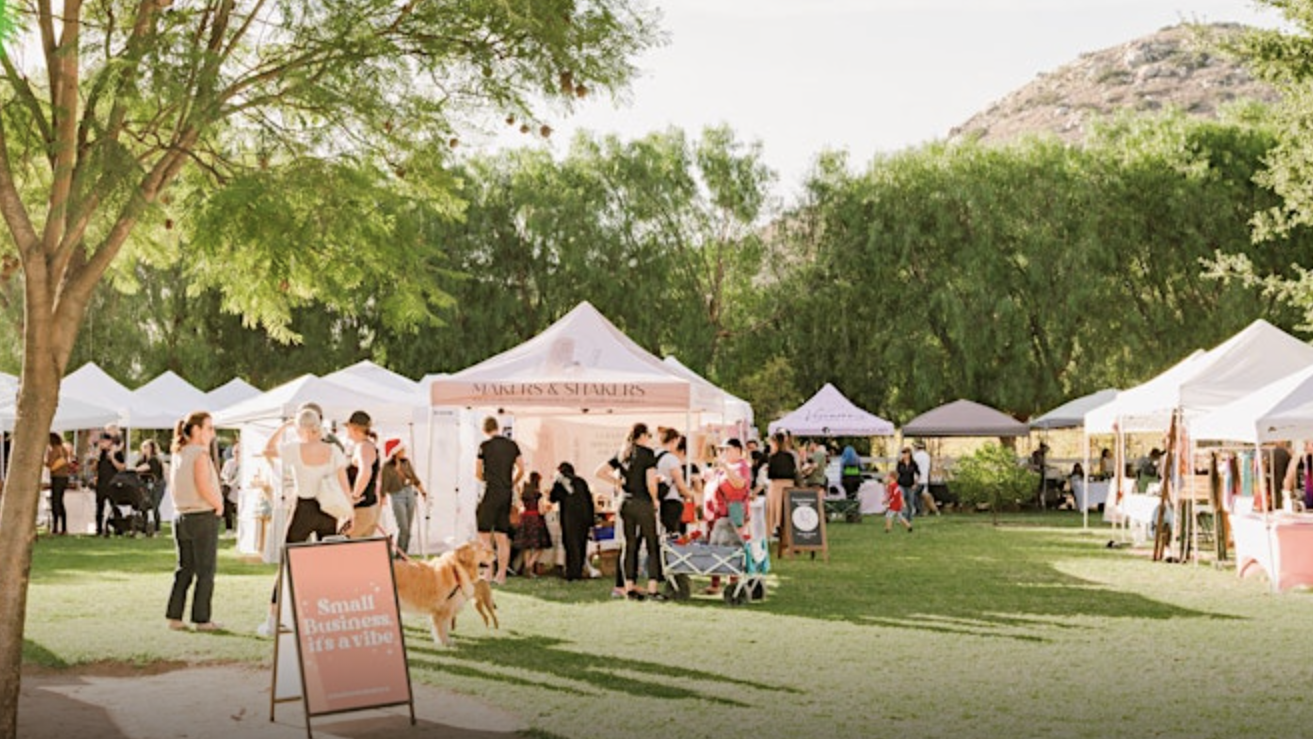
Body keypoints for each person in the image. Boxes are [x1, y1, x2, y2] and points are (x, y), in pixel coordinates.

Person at [259, 407, 354, 635]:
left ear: (300, 428)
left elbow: (267, 450)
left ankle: (273, 619)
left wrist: (284, 426)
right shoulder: (332, 450)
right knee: (327, 567)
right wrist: (350, 512)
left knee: (287, 564)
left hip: (304, 508)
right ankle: (324, 618)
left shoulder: (295, 449)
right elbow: (344, 484)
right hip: (328, 510)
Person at [165, 411, 224, 632]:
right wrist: (218, 505)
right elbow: (203, 485)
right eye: (209, 428)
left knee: (184, 569)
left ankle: (175, 617)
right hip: (201, 515)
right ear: (197, 430)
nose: (212, 433)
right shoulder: (200, 454)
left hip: (181, 516)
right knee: (205, 570)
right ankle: (202, 619)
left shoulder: (179, 453)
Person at [605, 422, 664, 601]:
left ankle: (629, 588)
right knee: (652, 544)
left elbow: (599, 472)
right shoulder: (647, 453)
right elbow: (650, 482)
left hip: (625, 502)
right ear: (643, 435)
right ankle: (653, 589)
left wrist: (618, 483)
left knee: (629, 545)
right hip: (643, 502)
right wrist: (655, 499)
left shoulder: (622, 453)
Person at [476, 416, 524, 585]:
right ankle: (501, 574)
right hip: (506, 493)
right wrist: (512, 482)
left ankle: (489, 572)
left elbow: (478, 472)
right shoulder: (512, 445)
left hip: (491, 492)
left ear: (485, 429)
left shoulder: (484, 446)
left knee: (484, 535)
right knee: (502, 536)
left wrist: (485, 479)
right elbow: (521, 468)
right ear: (498, 427)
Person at [703, 438, 751, 596]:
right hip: (717, 514)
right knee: (715, 546)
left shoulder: (741, 466)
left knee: (732, 547)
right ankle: (715, 583)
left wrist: (726, 468)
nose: (724, 452)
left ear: (738, 450)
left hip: (731, 514)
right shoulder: (722, 468)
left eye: (727, 449)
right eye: (723, 449)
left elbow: (739, 484)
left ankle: (733, 583)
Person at [550, 462, 595, 581]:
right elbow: (589, 500)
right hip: (583, 517)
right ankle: (579, 570)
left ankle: (572, 572)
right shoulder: (581, 481)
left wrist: (555, 483)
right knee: (581, 543)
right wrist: (591, 520)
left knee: (570, 544)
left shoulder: (559, 482)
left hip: (569, 518)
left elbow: (552, 498)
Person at [380, 439, 426, 555]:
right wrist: (382, 498)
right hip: (396, 496)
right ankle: (399, 555)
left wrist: (423, 493)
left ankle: (403, 555)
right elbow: (384, 485)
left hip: (409, 493)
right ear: (395, 451)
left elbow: (415, 478)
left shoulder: (406, 462)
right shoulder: (387, 467)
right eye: (402, 449)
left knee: (408, 530)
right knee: (403, 528)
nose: (404, 450)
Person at [343, 411, 380, 539]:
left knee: (346, 549)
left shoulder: (363, 447)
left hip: (361, 509)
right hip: (368, 507)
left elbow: (366, 472)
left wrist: (354, 497)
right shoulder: (368, 446)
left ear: (354, 428)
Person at [655, 428, 695, 537]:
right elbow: (680, 485)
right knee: (673, 536)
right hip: (671, 501)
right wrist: (691, 495)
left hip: (656, 499)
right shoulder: (671, 459)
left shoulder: (653, 455)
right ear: (674, 441)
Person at [513, 471, 553, 577]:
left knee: (527, 546)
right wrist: (547, 509)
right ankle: (529, 566)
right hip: (536, 520)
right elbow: (541, 511)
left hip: (525, 519)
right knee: (539, 546)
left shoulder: (524, 494)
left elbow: (520, 507)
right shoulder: (538, 495)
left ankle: (528, 568)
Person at [93, 431, 126, 536]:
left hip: (113, 483)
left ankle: (119, 528)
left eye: (104, 441)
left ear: (110, 442)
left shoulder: (117, 453)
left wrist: (112, 458)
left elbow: (122, 467)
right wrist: (96, 457)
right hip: (101, 483)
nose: (102, 443)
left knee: (114, 506)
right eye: (101, 441)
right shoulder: (101, 454)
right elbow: (94, 468)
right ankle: (98, 529)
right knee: (99, 507)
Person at [765, 431, 797, 538]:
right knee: (786, 509)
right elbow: (794, 471)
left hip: (776, 485)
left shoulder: (773, 457)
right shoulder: (790, 456)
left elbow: (770, 474)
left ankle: (775, 527)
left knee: (774, 509)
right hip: (789, 485)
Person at [136, 439, 166, 536]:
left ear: (152, 448)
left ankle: (157, 529)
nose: (144, 449)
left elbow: (145, 467)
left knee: (154, 506)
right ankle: (144, 529)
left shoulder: (154, 459)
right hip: (146, 486)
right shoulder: (141, 460)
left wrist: (134, 470)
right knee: (143, 505)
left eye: (146, 447)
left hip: (158, 485)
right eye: (143, 447)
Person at [46, 432, 71, 535]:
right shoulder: (63, 449)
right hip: (64, 477)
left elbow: (50, 463)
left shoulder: (55, 449)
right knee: (60, 502)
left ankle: (56, 527)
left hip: (57, 477)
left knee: (55, 502)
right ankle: (64, 527)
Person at [219, 441, 241, 533]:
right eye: (235, 451)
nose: (236, 454)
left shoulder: (244, 463)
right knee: (227, 506)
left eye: (238, 452)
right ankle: (229, 528)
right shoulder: (229, 462)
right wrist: (226, 479)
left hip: (238, 488)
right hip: (228, 488)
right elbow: (223, 473)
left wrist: (232, 482)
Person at [895, 447, 919, 526]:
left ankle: (909, 519)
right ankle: (901, 518)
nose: (905, 455)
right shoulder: (900, 463)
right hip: (901, 484)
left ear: (909, 454)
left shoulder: (913, 464)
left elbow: (918, 474)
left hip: (910, 485)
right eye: (903, 453)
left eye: (906, 453)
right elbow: (897, 473)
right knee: (902, 501)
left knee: (910, 503)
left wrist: (915, 484)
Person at [912, 441, 938, 516]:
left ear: (917, 447)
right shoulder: (927, 456)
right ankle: (931, 510)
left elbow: (914, 469)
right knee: (925, 496)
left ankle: (920, 511)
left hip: (917, 480)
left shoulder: (916, 456)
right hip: (925, 479)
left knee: (916, 496)